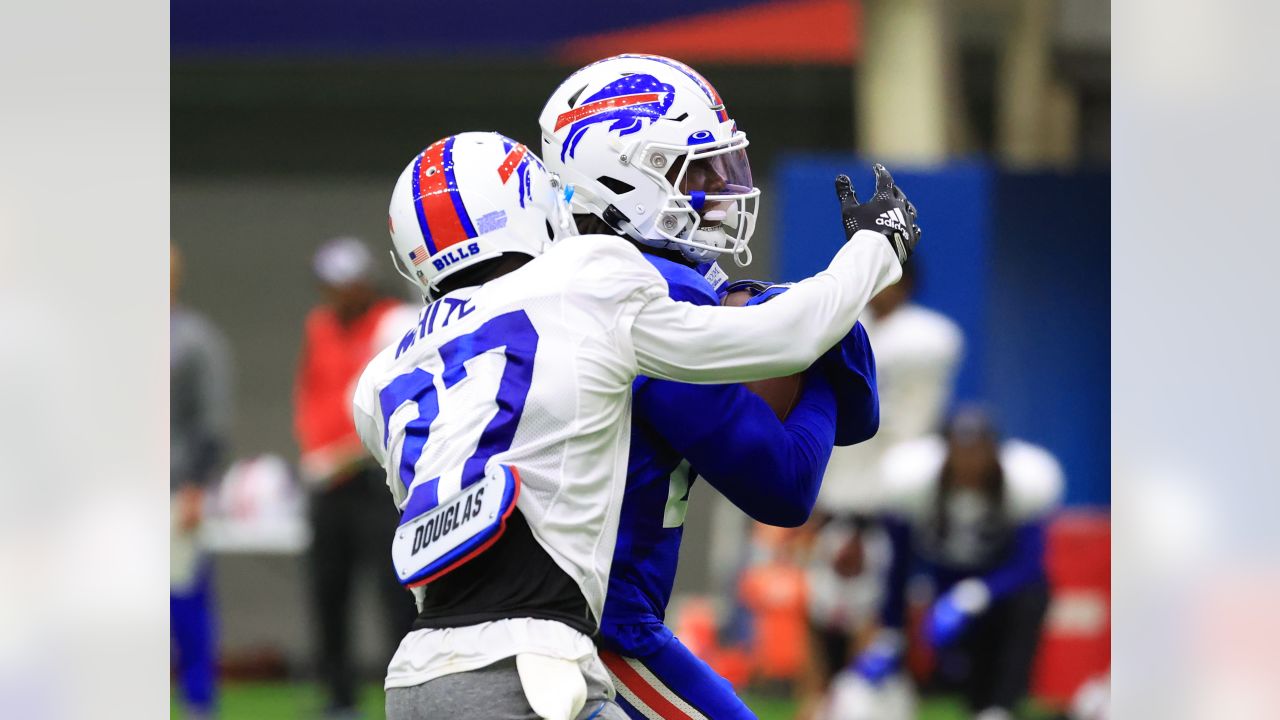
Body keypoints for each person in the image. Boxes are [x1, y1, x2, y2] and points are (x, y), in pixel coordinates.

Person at [351, 131, 920, 719]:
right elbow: (788, 337)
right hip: (534, 664)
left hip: (415, 676)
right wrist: (877, 247)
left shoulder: (381, 378)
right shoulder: (582, 280)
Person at [535, 53, 883, 719]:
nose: (721, 186)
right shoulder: (642, 296)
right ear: (615, 172)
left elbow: (859, 410)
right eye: (694, 168)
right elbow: (785, 484)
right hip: (592, 626)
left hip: (547, 612)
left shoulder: (567, 280)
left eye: (722, 164)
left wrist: (801, 330)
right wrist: (813, 339)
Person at [800, 259, 964, 716]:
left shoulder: (926, 338)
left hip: (888, 503)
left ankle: (872, 695)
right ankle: (823, 701)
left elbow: (907, 429)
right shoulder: (849, 326)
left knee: (878, 612)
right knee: (818, 609)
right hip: (839, 497)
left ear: (907, 285)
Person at [852, 408, 1062, 720]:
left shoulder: (1019, 489)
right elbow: (899, 564)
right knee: (957, 667)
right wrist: (891, 631)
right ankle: (977, 702)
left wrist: (975, 594)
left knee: (1030, 599)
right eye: (962, 451)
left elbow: (1029, 564)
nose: (970, 462)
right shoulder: (916, 490)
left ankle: (1001, 707)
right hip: (944, 592)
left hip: (1001, 591)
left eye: (978, 451)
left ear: (994, 452)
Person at [292, 236, 418, 717]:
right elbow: (312, 390)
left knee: (394, 589)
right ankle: (339, 694)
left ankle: (403, 687)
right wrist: (315, 449)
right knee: (328, 587)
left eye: (347, 283)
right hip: (327, 479)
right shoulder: (320, 325)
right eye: (330, 285)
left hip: (375, 478)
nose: (338, 293)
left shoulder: (392, 320)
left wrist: (347, 452)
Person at [170, 244, 233, 719]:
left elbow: (212, 421)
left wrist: (196, 486)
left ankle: (198, 701)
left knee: (184, 600)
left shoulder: (193, 340)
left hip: (176, 489)